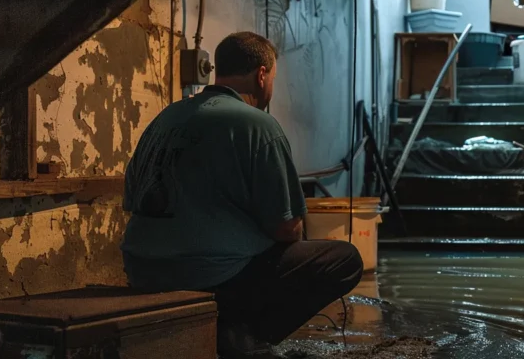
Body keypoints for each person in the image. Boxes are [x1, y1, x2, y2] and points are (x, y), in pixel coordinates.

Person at [121, 31, 363, 358]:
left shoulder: (165, 118)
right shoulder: (258, 125)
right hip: (211, 277)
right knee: (345, 260)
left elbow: (131, 199)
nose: (271, 86)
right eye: (273, 78)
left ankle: (230, 331)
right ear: (261, 75)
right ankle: (241, 336)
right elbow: (287, 229)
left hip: (141, 269)